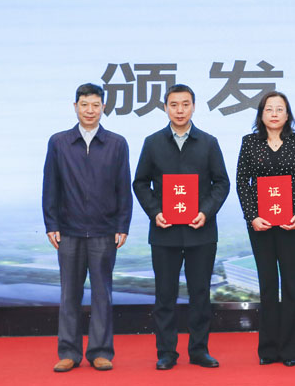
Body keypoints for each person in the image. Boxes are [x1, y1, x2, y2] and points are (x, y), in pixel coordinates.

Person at [133, 84, 230, 370]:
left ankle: (199, 350)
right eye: (174, 105)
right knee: (165, 295)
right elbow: (140, 183)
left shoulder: (209, 142)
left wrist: (205, 212)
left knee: (200, 294)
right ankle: (166, 352)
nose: (179, 110)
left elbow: (221, 183)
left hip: (201, 231)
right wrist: (155, 212)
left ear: (193, 107)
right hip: (164, 232)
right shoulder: (153, 142)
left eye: (185, 104)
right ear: (165, 108)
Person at [42, 83, 132, 373]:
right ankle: (69, 352)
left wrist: (122, 224)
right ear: (75, 107)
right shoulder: (59, 142)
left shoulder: (116, 143)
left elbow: (123, 187)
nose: (90, 110)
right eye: (84, 105)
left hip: (104, 231)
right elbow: (50, 185)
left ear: (103, 107)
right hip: (68, 231)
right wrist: (51, 224)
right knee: (69, 294)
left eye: (95, 105)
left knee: (102, 294)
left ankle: (100, 351)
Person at [236, 91, 295, 367]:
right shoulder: (249, 142)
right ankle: (268, 349)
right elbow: (242, 183)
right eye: (268, 109)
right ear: (261, 115)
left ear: (287, 114)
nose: (274, 113)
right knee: (268, 285)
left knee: (291, 285)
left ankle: (291, 349)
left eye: (279, 109)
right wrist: (252, 216)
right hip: (260, 225)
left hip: (290, 224)